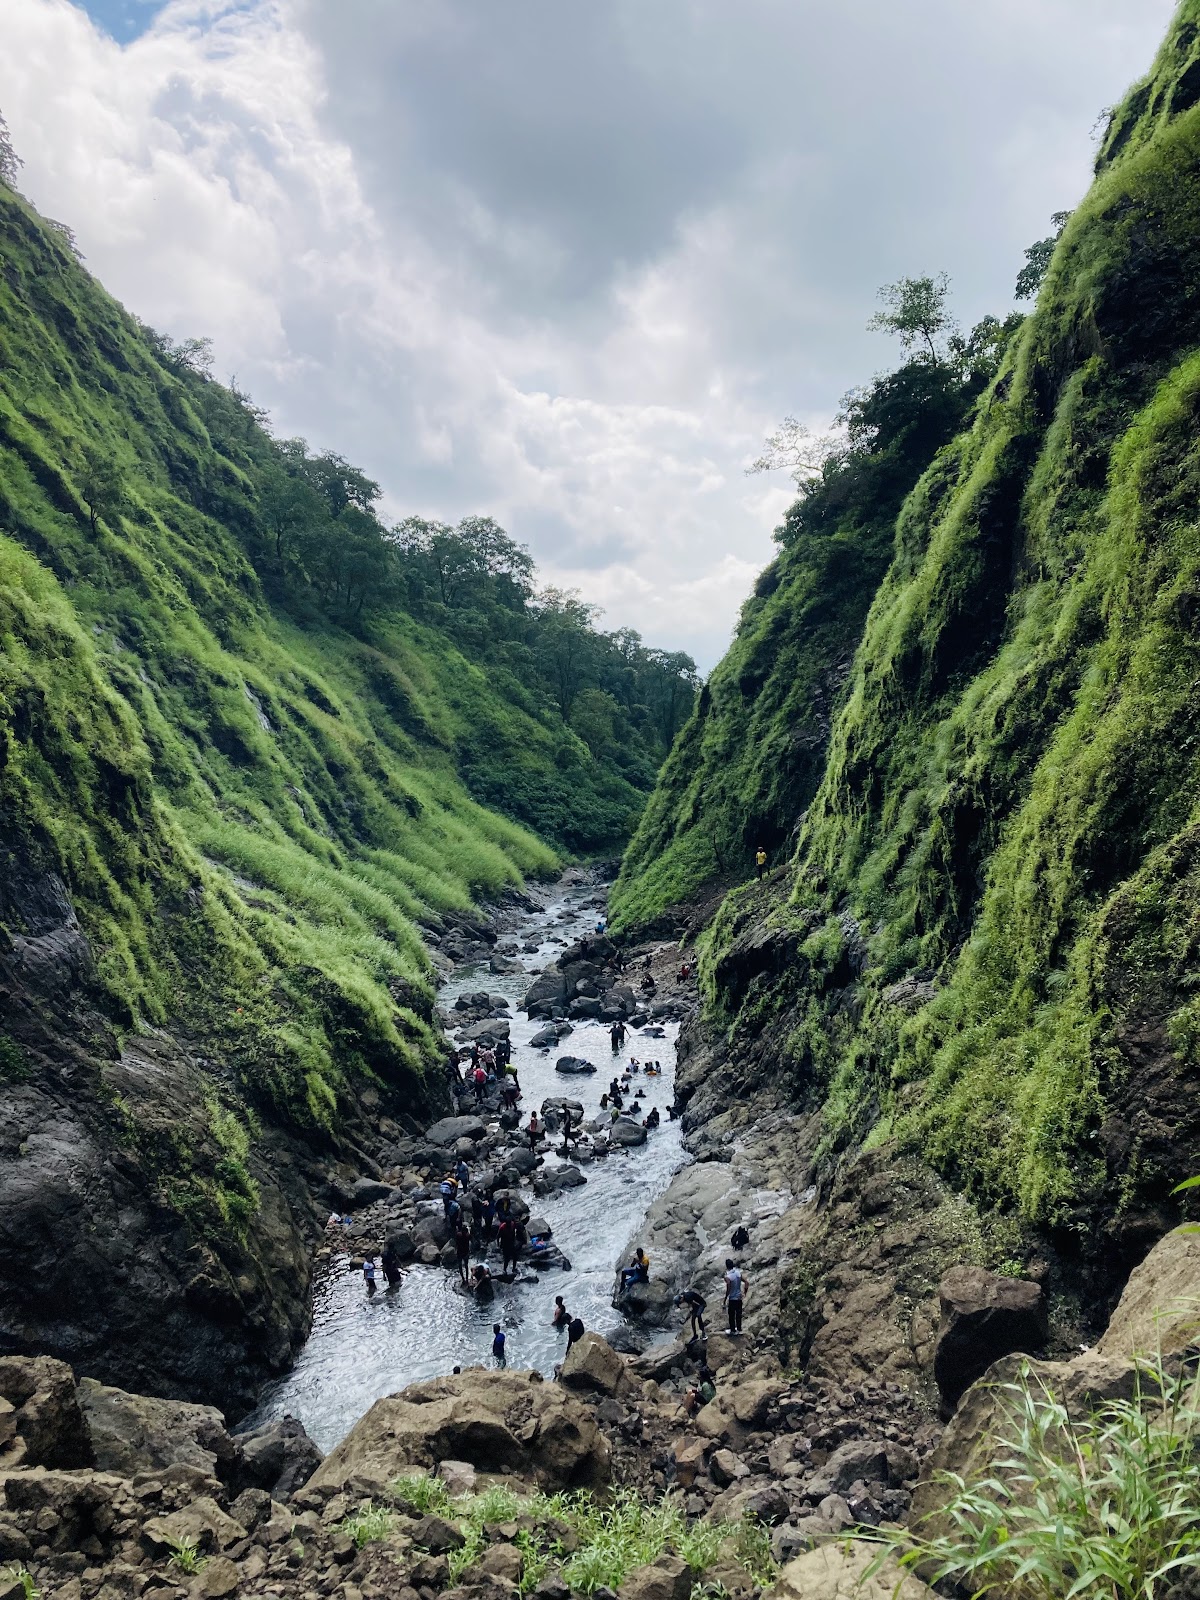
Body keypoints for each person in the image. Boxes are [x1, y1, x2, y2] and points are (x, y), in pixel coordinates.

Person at [723, 1258, 745, 1334]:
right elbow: (746, 1282)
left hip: (732, 1298)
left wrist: (725, 1298)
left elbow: (728, 1289)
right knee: (739, 1314)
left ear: (726, 1266)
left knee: (731, 1315)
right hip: (739, 1297)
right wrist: (744, 1293)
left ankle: (732, 1330)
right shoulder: (738, 1273)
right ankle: (739, 1329)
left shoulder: (728, 1276)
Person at [455, 1219, 472, 1286]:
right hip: (465, 1252)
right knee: (466, 1266)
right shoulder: (468, 1236)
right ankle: (466, 1279)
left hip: (460, 1252)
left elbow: (456, 1242)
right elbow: (471, 1238)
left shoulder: (458, 1235)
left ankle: (463, 1278)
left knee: (460, 1266)